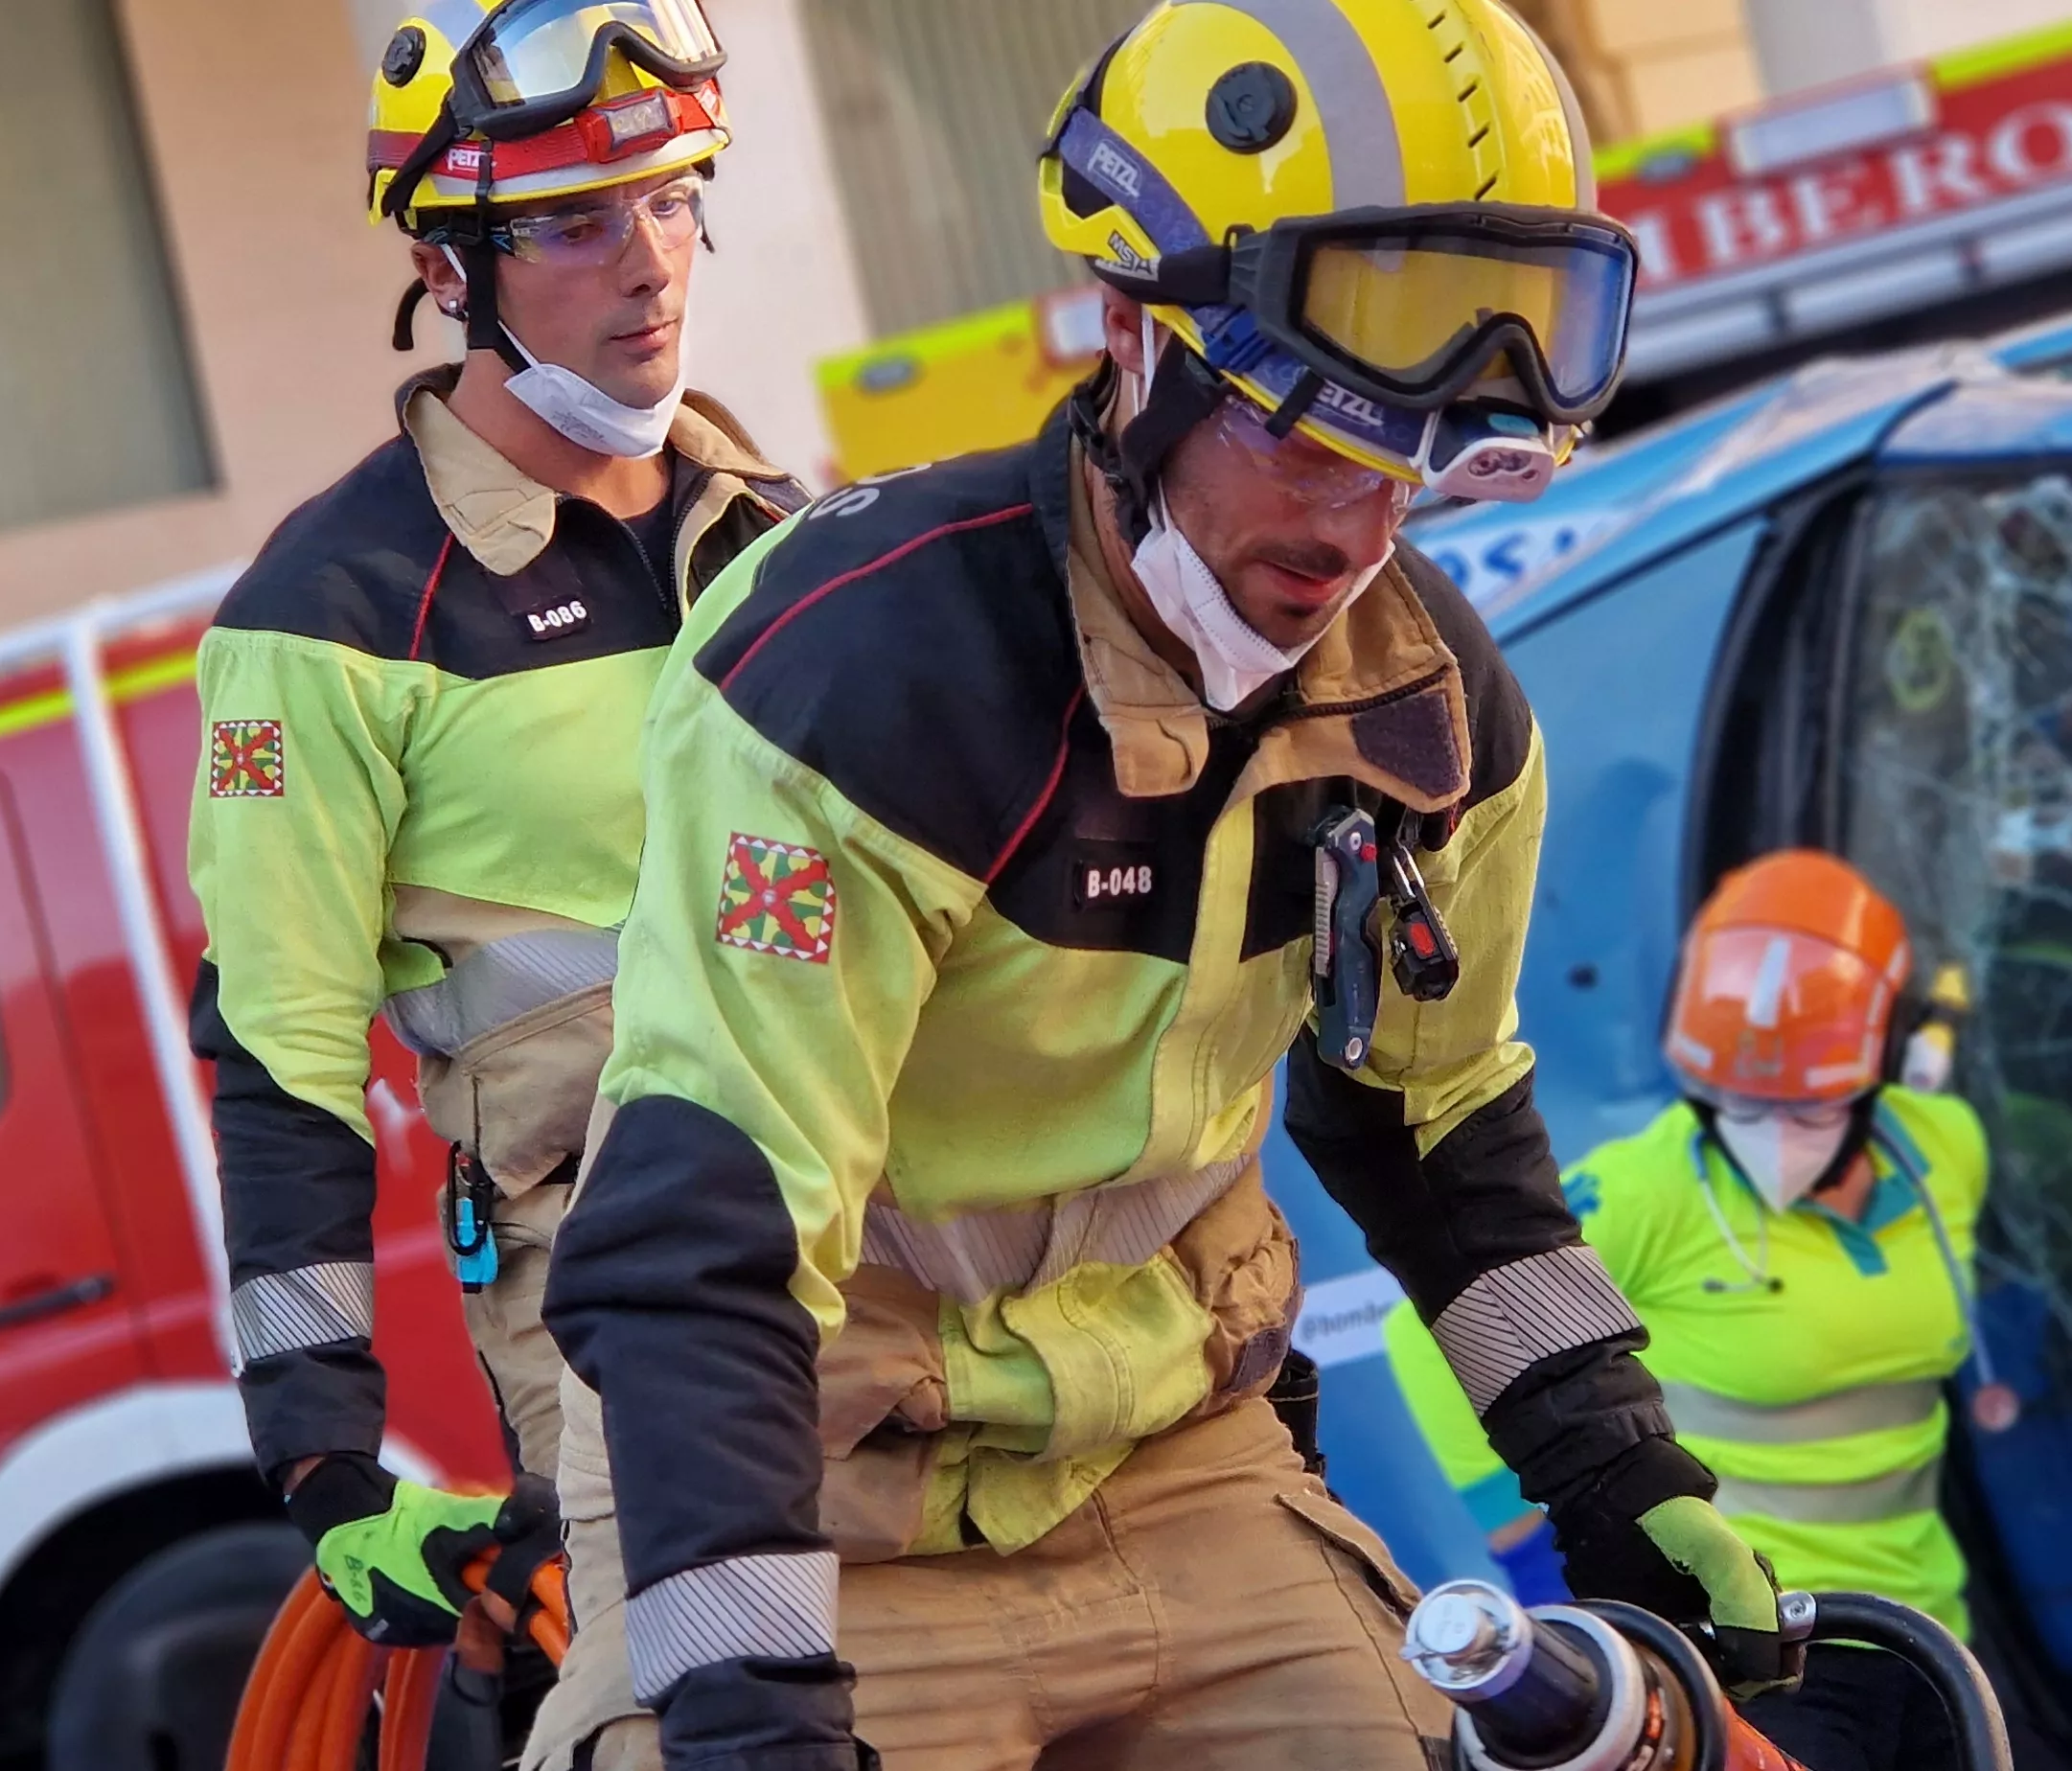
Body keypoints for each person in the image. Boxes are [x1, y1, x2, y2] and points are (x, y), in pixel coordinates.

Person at [537, 4, 1795, 1766]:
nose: (1357, 535)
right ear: (1135, 338)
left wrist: (1622, 1468)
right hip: (823, 1500)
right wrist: (748, 1701)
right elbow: (708, 1252)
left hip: (1179, 1469)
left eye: (1414, 470)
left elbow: (1440, 1139)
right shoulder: (860, 677)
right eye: (1307, 437)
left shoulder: (1435, 716)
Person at [183, 0, 804, 1753]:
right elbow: (282, 1048)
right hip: (612, 1324)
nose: (650, 263)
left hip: (904, 1262)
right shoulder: (328, 617)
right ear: (450, 268)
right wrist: (322, 1451)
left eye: (675, 198)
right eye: (572, 222)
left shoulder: (781, 531)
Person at [1383, 851, 1991, 1771]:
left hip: (1927, 1632)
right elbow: (1442, 1322)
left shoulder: (1947, 1150)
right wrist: (1549, 1551)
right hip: (1760, 1651)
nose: (1772, 1134)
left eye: (1809, 1108)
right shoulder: (1648, 1190)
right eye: (1745, 1100)